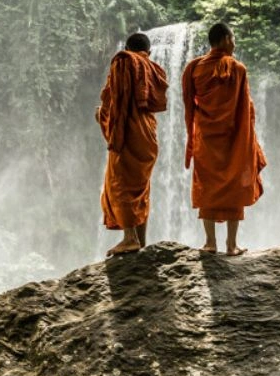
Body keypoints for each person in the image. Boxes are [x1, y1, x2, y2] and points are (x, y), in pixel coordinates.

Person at [182, 23, 266, 255]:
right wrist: (249, 139)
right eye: (233, 38)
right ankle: (231, 245)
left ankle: (210, 243)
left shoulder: (195, 69)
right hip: (232, 140)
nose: (235, 43)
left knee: (206, 186)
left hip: (205, 139)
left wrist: (192, 133)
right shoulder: (237, 69)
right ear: (225, 39)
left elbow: (190, 105)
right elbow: (246, 108)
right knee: (233, 186)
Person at [96, 32, 168, 256]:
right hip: (148, 134)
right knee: (141, 187)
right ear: (149, 52)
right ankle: (141, 239)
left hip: (128, 132)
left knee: (121, 184)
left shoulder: (124, 61)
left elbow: (117, 102)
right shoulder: (152, 67)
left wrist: (102, 116)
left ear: (127, 48)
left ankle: (129, 238)